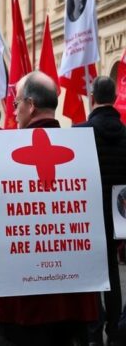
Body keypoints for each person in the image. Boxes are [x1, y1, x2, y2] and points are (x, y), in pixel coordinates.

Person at [0, 71, 99, 345]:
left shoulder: (8, 157)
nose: (13, 110)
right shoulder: (83, 153)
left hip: (23, 312)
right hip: (73, 309)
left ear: (30, 105)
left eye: (16, 102)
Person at [74, 76, 126, 346]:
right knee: (112, 270)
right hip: (119, 215)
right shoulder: (125, 133)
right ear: (115, 98)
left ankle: (94, 332)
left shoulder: (80, 133)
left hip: (89, 214)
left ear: (92, 97)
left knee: (92, 274)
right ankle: (115, 331)